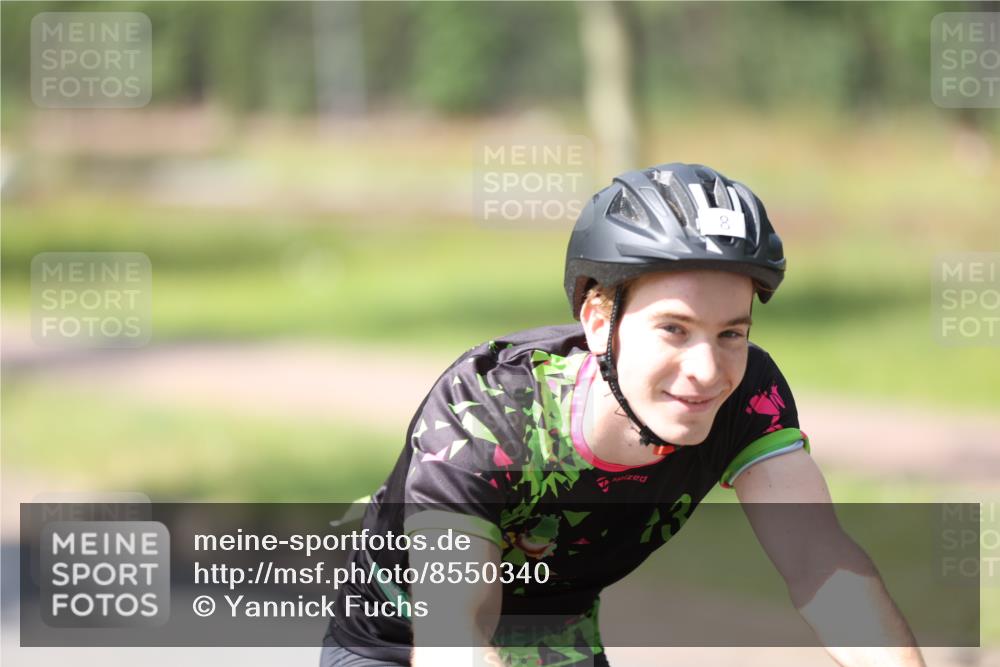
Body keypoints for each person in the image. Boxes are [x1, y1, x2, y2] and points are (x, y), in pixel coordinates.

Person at [321, 163, 925, 667]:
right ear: (597, 322)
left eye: (730, 333)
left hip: (554, 634)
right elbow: (455, 631)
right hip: (396, 644)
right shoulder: (487, 414)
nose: (708, 370)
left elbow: (820, 562)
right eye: (674, 329)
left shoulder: (748, 395)